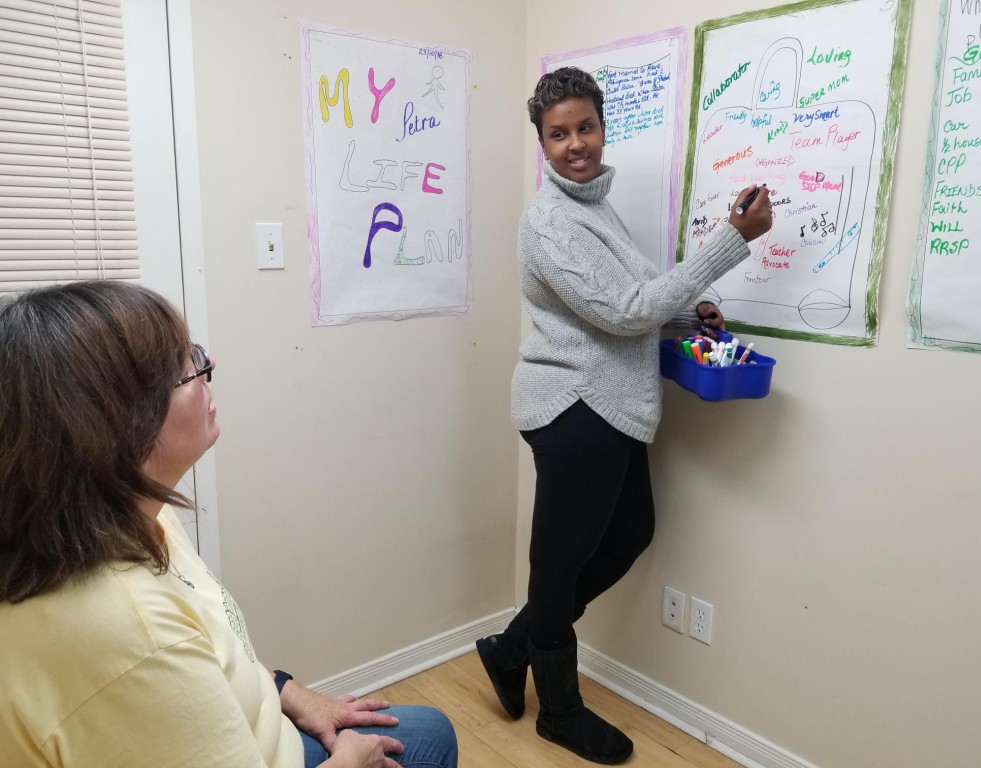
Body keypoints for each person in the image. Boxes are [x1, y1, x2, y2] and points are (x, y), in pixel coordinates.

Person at [0, 281, 458, 768]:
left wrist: (288, 692)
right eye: (182, 366)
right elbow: (171, 654)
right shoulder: (131, 638)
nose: (207, 365)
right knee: (429, 742)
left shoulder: (121, 515)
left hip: (251, 727)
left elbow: (215, 640)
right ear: (120, 426)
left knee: (431, 729)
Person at [475, 67, 772, 764]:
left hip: (614, 405)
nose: (574, 143)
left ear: (602, 128)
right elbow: (621, 311)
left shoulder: (594, 207)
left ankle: (513, 645)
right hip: (572, 405)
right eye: (558, 134)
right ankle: (560, 708)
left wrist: (683, 311)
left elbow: (635, 295)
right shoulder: (550, 220)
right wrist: (732, 240)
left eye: (584, 127)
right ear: (540, 143)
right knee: (557, 564)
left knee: (629, 531)